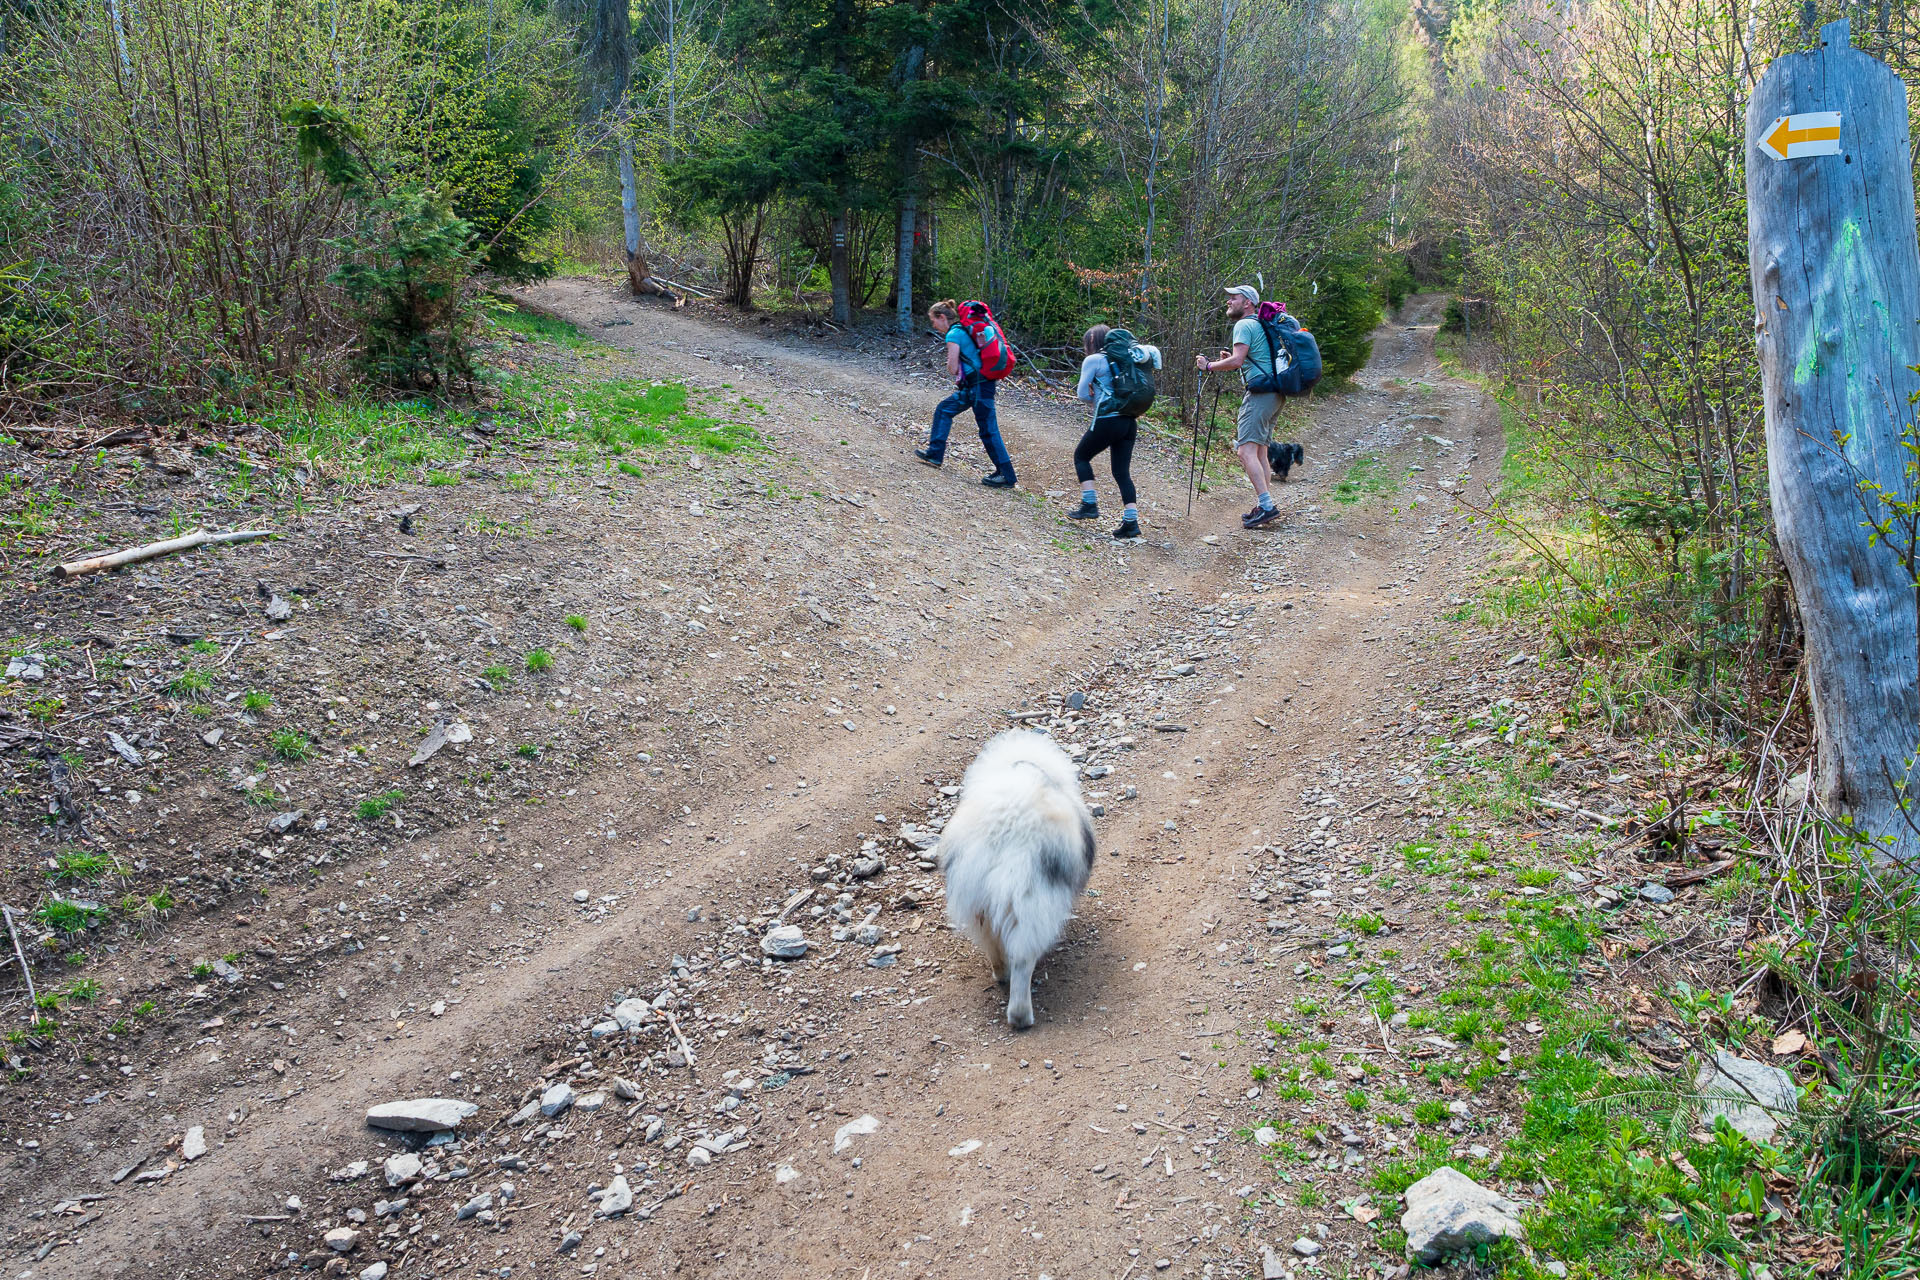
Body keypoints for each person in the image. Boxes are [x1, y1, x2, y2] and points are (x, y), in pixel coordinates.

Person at [1194, 284, 1288, 528]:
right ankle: (1263, 505)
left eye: (1233, 298)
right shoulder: (1259, 325)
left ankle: (1266, 506)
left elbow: (1237, 361)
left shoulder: (1244, 324)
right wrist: (1233, 362)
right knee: (1260, 453)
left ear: (1247, 303)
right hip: (1275, 393)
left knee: (1245, 451)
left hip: (1260, 395)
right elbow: (1247, 361)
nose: (1228, 302)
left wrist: (1209, 366)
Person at [1071, 323, 1161, 540]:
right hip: (1129, 421)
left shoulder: (1093, 360)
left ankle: (1089, 504)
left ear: (1092, 342)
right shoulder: (1127, 361)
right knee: (1121, 472)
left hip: (1108, 420)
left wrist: (1097, 397)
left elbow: (1082, 394)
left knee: (1081, 456)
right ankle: (1131, 522)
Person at [916, 300, 1017, 488]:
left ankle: (1007, 475)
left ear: (942, 317)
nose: (934, 326)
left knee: (988, 430)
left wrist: (952, 367)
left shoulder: (954, 334)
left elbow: (953, 367)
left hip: (979, 387)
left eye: (933, 321)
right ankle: (935, 453)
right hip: (975, 386)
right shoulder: (962, 330)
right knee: (944, 409)